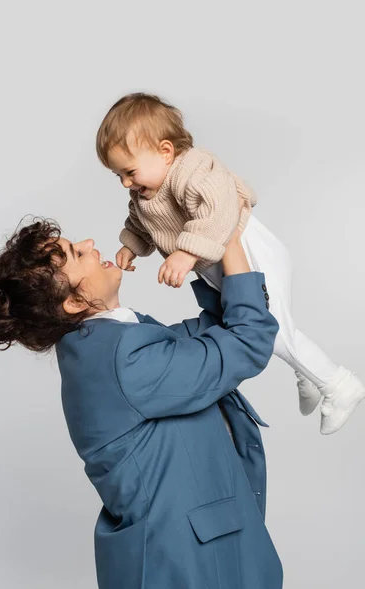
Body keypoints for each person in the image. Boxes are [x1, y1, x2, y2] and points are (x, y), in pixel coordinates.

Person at [0, 217, 282, 589]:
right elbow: (246, 341)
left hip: (192, 554)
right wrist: (226, 234)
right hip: (192, 564)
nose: (88, 243)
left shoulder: (107, 345)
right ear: (74, 302)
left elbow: (212, 336)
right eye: (75, 254)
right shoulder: (122, 360)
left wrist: (200, 248)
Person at [96, 92, 365, 435]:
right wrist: (131, 246)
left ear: (165, 152)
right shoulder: (145, 193)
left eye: (130, 172)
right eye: (118, 175)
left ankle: (338, 384)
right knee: (270, 326)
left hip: (252, 253)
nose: (126, 183)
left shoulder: (192, 170)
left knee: (271, 329)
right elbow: (141, 221)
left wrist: (186, 252)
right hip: (222, 268)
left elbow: (220, 208)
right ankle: (307, 374)